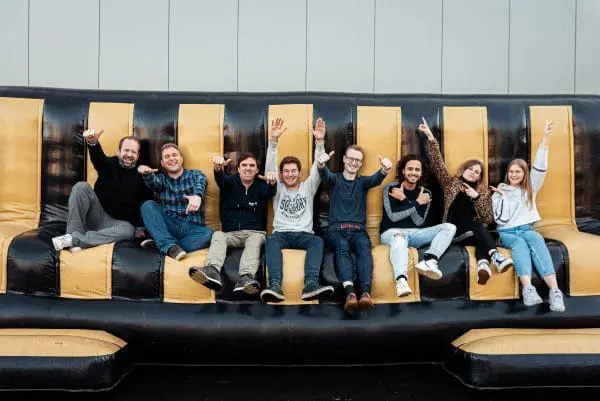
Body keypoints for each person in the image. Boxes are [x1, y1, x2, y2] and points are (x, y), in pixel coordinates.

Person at [417, 117, 513, 285]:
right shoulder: (451, 184)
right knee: (481, 229)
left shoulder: (482, 192)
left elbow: (488, 218)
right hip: (454, 232)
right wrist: (431, 138)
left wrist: (476, 197)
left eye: (477, 172)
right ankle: (495, 257)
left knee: (482, 230)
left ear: (479, 177)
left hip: (473, 232)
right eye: (470, 169)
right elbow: (438, 164)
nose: (472, 172)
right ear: (463, 170)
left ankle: (483, 265)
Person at [491, 120, 565, 312]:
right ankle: (528, 289)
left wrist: (545, 140)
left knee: (536, 237)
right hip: (506, 232)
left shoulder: (529, 190)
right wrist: (503, 197)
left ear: (524, 174)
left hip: (526, 229)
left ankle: (555, 291)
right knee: (519, 243)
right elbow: (499, 220)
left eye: (518, 171)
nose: (514, 174)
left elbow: (540, 168)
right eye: (511, 171)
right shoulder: (499, 191)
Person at [259, 117, 334, 303]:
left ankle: (311, 285)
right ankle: (275, 286)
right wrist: (273, 141)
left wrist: (319, 142)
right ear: (281, 174)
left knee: (318, 241)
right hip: (281, 234)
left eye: (293, 171)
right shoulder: (277, 188)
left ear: (299, 173)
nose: (290, 174)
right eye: (286, 171)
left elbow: (318, 166)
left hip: (304, 235)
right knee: (271, 241)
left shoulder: (308, 187)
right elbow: (270, 171)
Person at [189, 153, 277, 295]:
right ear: (238, 169)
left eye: (252, 166)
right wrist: (218, 168)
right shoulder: (229, 182)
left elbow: (271, 190)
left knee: (255, 241)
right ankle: (212, 270)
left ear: (257, 170)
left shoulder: (261, 186)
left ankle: (246, 278)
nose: (248, 168)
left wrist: (272, 182)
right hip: (231, 233)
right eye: (244, 165)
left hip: (254, 233)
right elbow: (220, 177)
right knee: (218, 235)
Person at [51, 129, 153, 252]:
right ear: (119, 152)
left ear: (138, 155)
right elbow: (99, 159)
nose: (129, 154)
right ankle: (72, 235)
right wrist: (93, 144)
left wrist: (140, 227)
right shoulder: (109, 165)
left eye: (133, 152)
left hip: (117, 225)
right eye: (126, 150)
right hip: (96, 215)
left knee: (128, 231)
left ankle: (74, 240)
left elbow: (146, 203)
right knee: (81, 187)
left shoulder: (142, 175)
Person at [318, 145, 392, 312]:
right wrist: (321, 164)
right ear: (344, 159)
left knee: (364, 247)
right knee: (342, 246)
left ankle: (365, 293)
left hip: (359, 230)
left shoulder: (362, 182)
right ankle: (350, 293)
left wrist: (385, 169)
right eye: (351, 158)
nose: (353, 162)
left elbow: (376, 179)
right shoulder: (335, 179)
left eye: (357, 160)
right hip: (337, 230)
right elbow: (325, 174)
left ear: (361, 163)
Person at [379, 155, 457, 297]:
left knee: (449, 227)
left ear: (421, 173)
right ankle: (401, 280)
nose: (413, 172)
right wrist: (416, 203)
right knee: (400, 237)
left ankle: (430, 260)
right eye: (410, 169)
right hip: (391, 233)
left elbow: (418, 221)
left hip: (415, 233)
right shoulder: (391, 188)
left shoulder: (425, 193)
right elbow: (393, 217)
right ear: (403, 171)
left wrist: (405, 200)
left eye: (417, 170)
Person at [138, 143, 213, 261]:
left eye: (174, 155)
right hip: (170, 226)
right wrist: (146, 173)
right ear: (162, 163)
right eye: (167, 156)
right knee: (147, 205)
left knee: (209, 234)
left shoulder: (196, 174)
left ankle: (162, 245)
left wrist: (197, 197)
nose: (171, 158)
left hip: (192, 229)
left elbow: (201, 183)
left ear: (181, 159)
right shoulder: (161, 180)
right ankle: (169, 246)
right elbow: (153, 182)